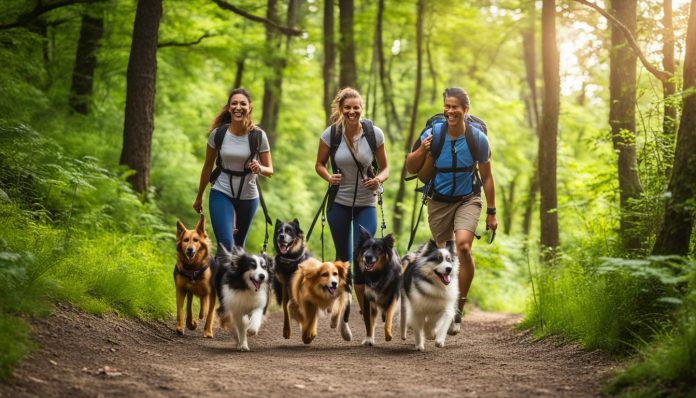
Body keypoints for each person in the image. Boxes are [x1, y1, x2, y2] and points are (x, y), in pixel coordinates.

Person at [405, 87, 497, 334]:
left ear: (466, 110)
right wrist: (423, 149)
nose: (450, 111)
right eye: (447, 106)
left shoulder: (477, 139)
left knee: (464, 247)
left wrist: (492, 211)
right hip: (439, 200)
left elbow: (487, 177)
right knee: (444, 254)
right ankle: (442, 305)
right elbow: (411, 167)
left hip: (468, 198)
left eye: (455, 106)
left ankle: (458, 307)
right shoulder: (433, 133)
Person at [314, 87, 389, 315]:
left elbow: (385, 168)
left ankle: (365, 311)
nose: (352, 112)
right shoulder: (331, 134)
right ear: (340, 109)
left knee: (361, 256)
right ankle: (343, 304)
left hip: (367, 202)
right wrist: (328, 176)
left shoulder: (374, 134)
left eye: (356, 108)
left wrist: (377, 179)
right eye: (347, 108)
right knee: (344, 259)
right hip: (339, 203)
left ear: (361, 109)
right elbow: (319, 164)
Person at [193, 88, 273, 252]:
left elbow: (269, 170)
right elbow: (208, 167)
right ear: (229, 108)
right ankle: (219, 273)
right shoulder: (218, 134)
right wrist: (199, 196)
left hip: (248, 197)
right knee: (225, 246)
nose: (238, 107)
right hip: (221, 192)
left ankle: (222, 276)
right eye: (234, 103)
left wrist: (259, 168)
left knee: (237, 249)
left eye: (243, 104)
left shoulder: (258, 136)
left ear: (249, 108)